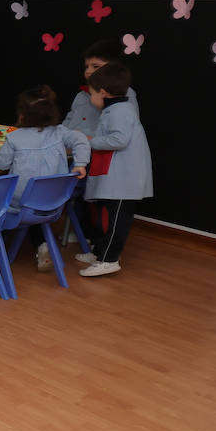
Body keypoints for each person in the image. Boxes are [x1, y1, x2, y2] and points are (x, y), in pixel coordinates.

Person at [0, 85, 90, 271]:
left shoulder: (15, 138)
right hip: (55, 201)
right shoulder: (60, 132)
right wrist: (80, 163)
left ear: (22, 114)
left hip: (21, 202)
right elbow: (81, 140)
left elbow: (1, 165)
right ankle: (42, 244)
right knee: (34, 202)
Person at [74, 64, 152, 277]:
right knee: (105, 217)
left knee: (116, 221)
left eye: (91, 94)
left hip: (124, 181)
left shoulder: (120, 111)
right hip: (115, 176)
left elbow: (119, 139)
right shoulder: (113, 109)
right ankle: (101, 252)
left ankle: (109, 259)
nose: (90, 99)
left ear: (103, 93)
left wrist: (90, 141)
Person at [61, 39, 140, 138]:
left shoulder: (124, 92)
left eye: (95, 66)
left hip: (98, 148)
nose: (88, 71)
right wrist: (62, 136)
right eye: (87, 67)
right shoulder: (81, 95)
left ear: (114, 68)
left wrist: (84, 137)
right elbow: (69, 119)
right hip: (73, 148)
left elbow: (126, 126)